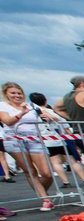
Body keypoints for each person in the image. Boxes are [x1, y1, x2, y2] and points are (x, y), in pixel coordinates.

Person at [0, 82, 56, 210]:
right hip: (14, 140)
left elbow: (51, 116)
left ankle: (42, 193)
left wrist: (47, 117)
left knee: (47, 173)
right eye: (13, 93)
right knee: (30, 171)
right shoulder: (2, 106)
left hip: (34, 139)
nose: (17, 95)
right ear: (6, 94)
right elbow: (8, 122)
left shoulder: (32, 105)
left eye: (19, 93)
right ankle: (45, 199)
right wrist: (22, 112)